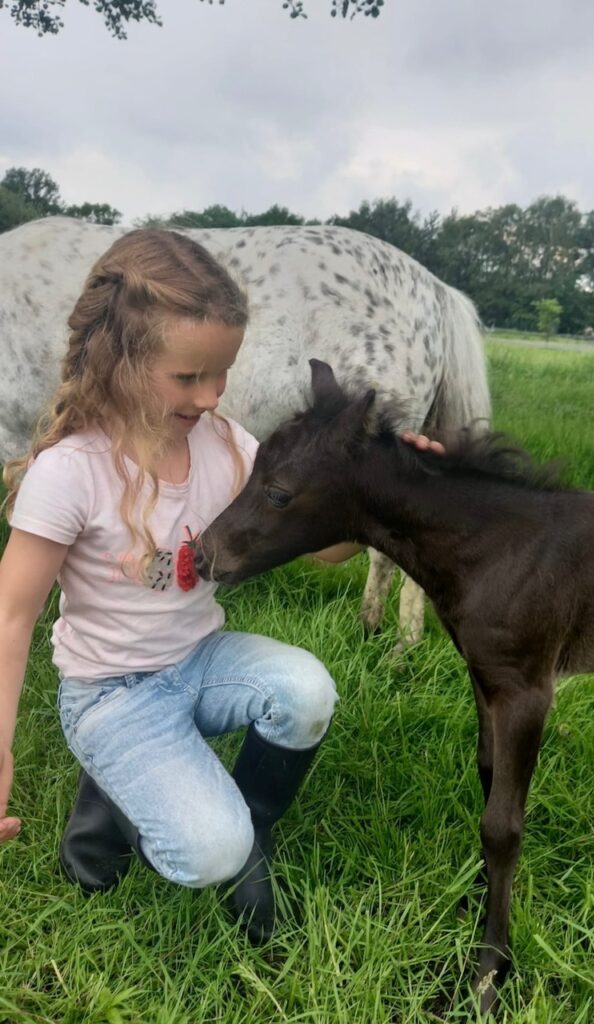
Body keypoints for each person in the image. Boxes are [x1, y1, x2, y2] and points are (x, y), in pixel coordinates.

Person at [0, 228, 443, 940]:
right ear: (120, 358)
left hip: (201, 662)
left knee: (307, 694)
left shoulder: (226, 444)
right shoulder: (71, 470)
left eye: (222, 374)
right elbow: (11, 615)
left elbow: (324, 552)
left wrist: (378, 489)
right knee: (205, 853)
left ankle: (249, 831)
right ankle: (131, 802)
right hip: (111, 693)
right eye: (188, 377)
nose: (210, 397)